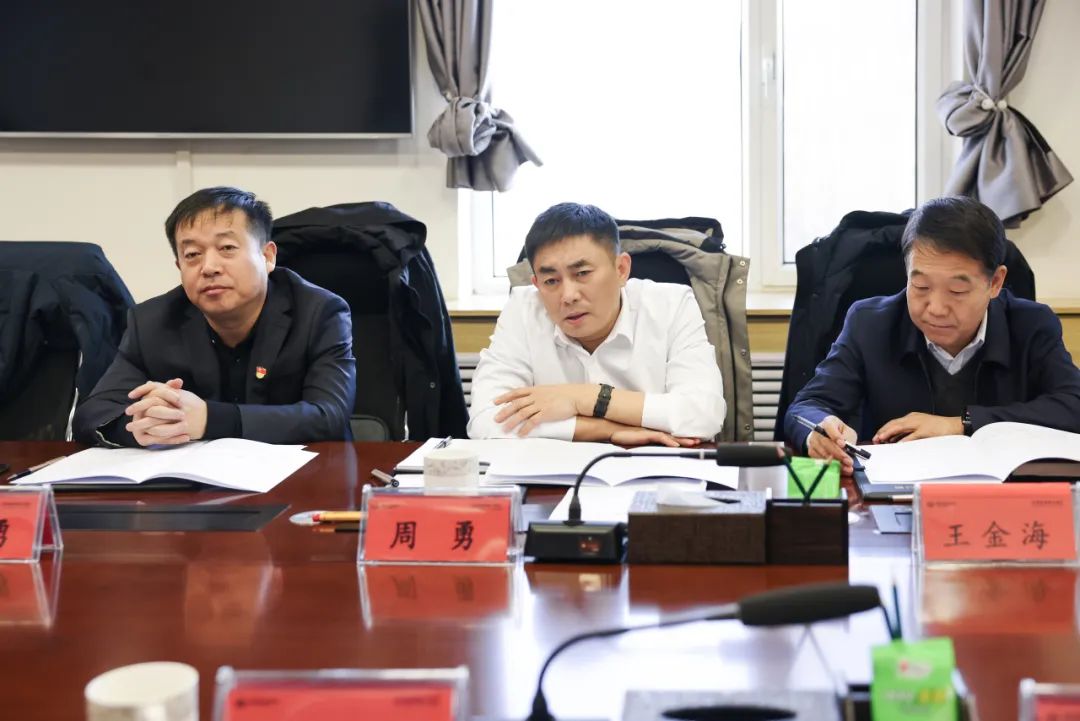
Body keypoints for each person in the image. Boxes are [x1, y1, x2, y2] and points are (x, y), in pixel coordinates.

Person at [784, 196, 1080, 472]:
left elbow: (1073, 404)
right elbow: (807, 406)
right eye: (921, 286)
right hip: (898, 492)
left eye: (957, 290)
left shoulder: (1031, 325)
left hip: (1002, 494)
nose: (936, 308)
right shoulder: (870, 323)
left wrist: (961, 423)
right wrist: (819, 429)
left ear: (995, 282)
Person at [73, 187, 356, 447]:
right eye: (192, 254)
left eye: (227, 248)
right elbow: (93, 414)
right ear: (179, 266)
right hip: (192, 480)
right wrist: (143, 426)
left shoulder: (319, 312)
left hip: (303, 475)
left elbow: (329, 415)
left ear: (268, 256)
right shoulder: (151, 321)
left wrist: (210, 419)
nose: (209, 267)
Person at [467, 202, 725, 446]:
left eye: (582, 274)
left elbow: (703, 414)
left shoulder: (671, 305)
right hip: (556, 472)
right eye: (551, 281)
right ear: (536, 284)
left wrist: (584, 397)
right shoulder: (523, 308)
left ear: (621, 269)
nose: (568, 296)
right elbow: (485, 421)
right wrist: (608, 429)